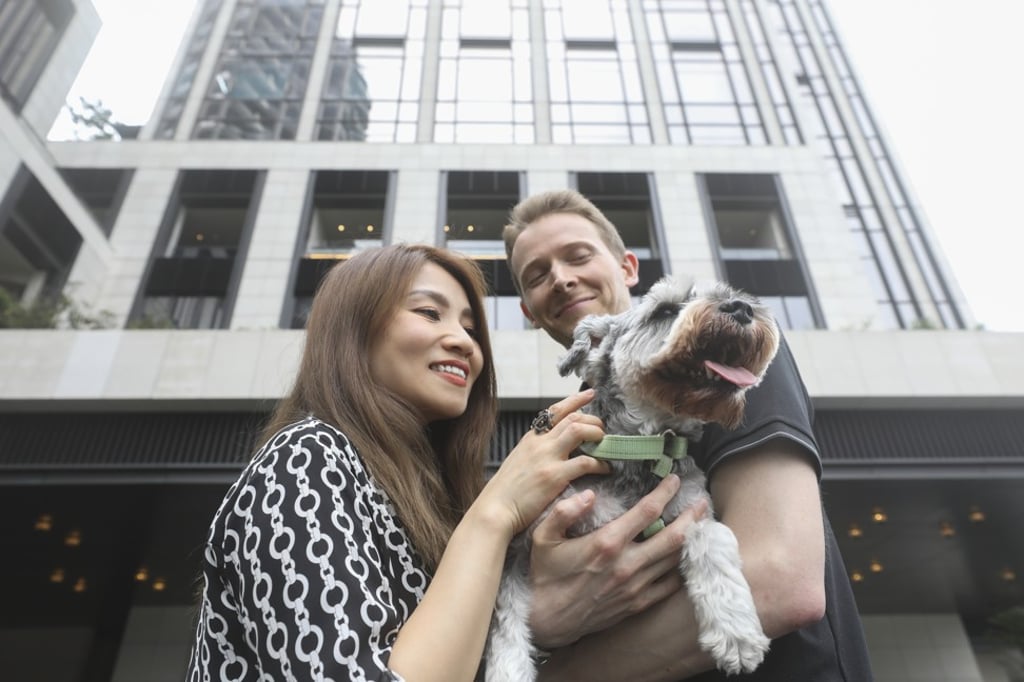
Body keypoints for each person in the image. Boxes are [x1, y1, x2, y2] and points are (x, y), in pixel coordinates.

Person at [185, 244, 650, 681]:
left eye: (471, 329)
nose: (465, 344)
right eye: (429, 313)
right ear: (354, 329)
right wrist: (496, 512)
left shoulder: (429, 495)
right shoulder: (305, 459)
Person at [506, 190, 874, 681]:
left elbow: (782, 583)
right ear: (529, 311)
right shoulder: (573, 423)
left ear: (628, 268)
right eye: (537, 275)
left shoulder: (720, 358)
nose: (562, 278)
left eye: (578, 256)